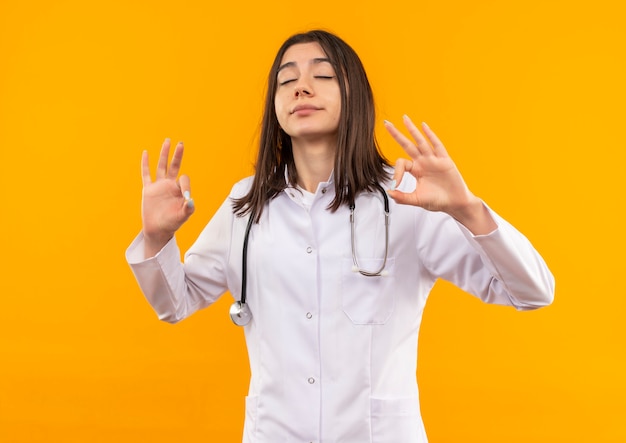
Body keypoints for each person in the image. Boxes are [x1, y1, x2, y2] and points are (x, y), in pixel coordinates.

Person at [126, 29, 554, 443]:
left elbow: (532, 292)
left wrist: (467, 209)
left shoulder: (407, 200)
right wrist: (156, 239)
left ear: (355, 96)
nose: (301, 88)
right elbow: (175, 302)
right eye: (287, 79)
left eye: (323, 76)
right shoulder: (246, 203)